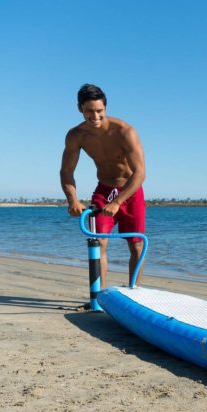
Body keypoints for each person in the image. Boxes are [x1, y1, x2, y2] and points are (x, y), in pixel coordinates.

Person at [60, 84, 147, 289]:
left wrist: (118, 201)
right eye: (89, 111)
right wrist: (72, 199)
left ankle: (134, 292)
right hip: (104, 190)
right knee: (98, 244)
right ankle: (98, 297)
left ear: (105, 108)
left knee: (136, 245)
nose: (95, 116)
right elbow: (66, 171)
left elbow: (140, 173)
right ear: (80, 108)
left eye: (99, 110)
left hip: (130, 191)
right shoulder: (76, 135)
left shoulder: (125, 131)